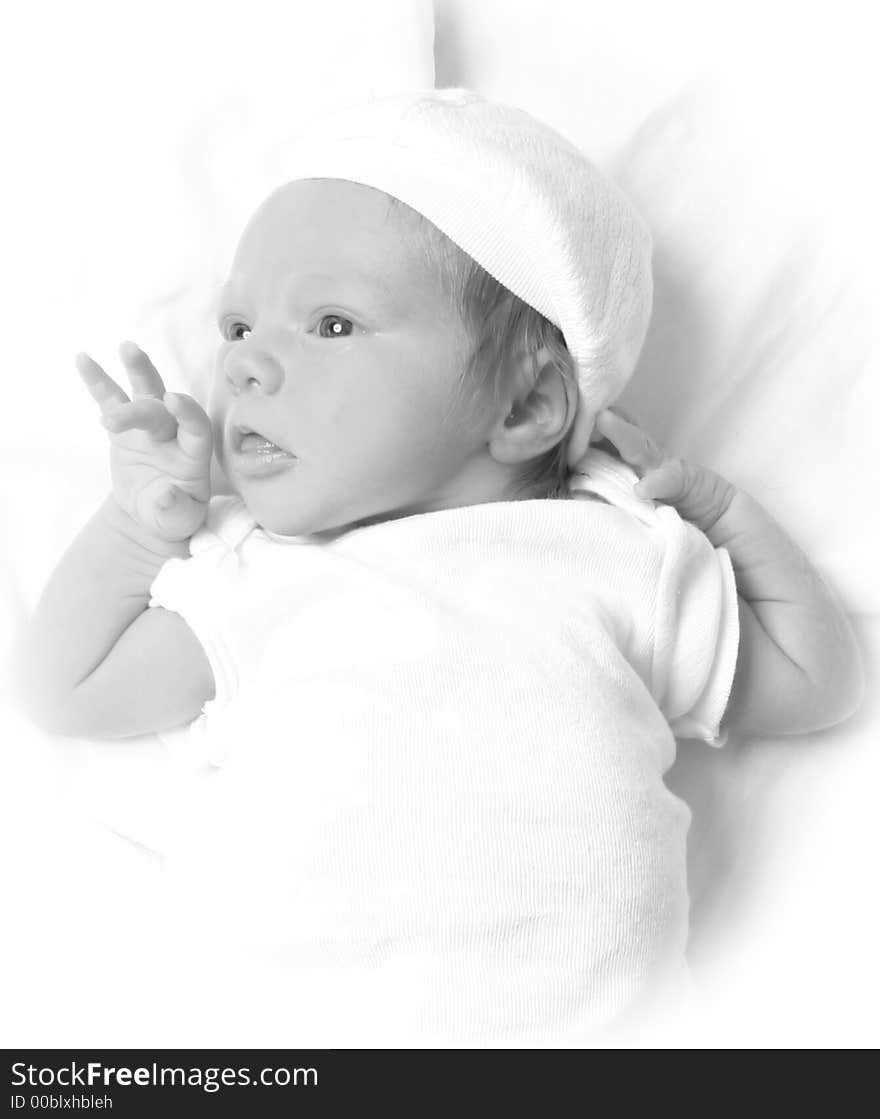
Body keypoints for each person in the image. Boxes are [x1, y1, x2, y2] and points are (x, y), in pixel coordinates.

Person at [16, 89, 864, 1045]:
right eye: (238, 329)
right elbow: (70, 689)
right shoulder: (262, 571)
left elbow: (815, 681)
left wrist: (720, 509)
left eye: (331, 324)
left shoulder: (615, 554)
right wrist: (141, 528)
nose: (245, 369)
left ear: (526, 406)